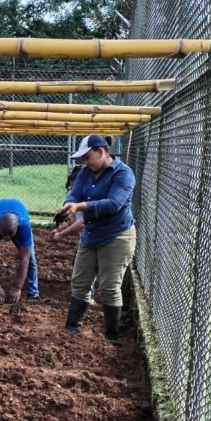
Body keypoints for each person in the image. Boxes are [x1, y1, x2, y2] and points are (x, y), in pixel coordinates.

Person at [56, 134, 136, 341]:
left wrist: (80, 207)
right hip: (91, 234)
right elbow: (74, 195)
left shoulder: (123, 173)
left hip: (116, 235)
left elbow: (113, 204)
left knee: (109, 287)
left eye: (87, 157)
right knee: (80, 282)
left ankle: (111, 336)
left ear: (101, 152)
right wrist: (68, 205)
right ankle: (72, 330)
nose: (86, 162)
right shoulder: (85, 173)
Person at [0, 199, 38, 302]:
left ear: (17, 227)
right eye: (3, 233)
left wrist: (17, 288)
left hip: (19, 217)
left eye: (10, 234)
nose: (6, 238)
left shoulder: (24, 227)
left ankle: (33, 292)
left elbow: (25, 260)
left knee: (31, 258)